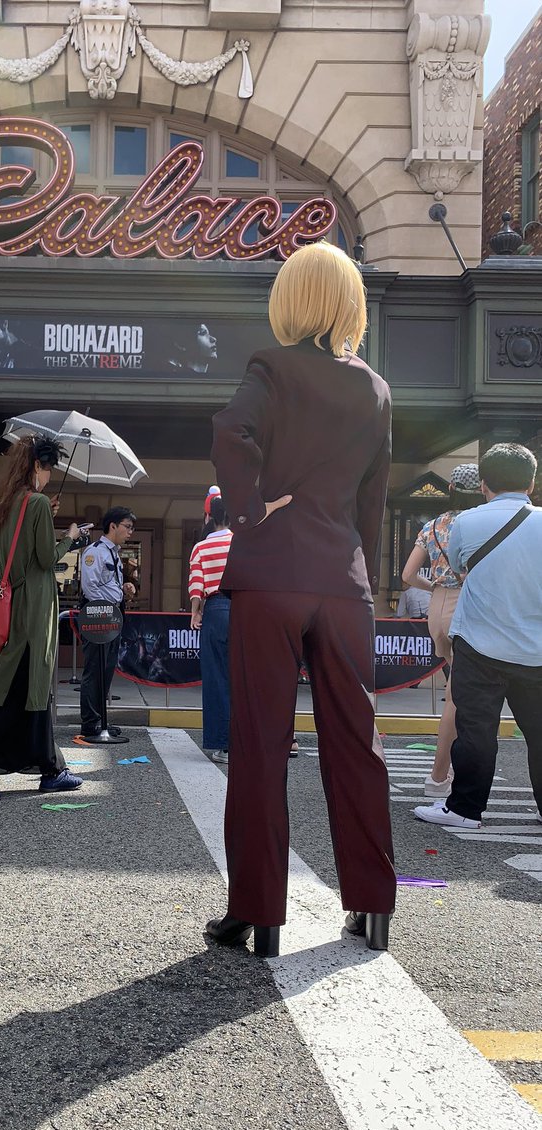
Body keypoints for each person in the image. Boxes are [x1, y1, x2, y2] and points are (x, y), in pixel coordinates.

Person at [208, 240, 396, 957]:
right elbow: (372, 502)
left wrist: (248, 509)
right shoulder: (375, 389)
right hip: (343, 582)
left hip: (271, 574)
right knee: (357, 742)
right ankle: (372, 908)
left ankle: (258, 914)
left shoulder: (272, 366)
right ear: (350, 304)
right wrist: (359, 571)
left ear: (290, 298)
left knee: (261, 743)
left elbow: (232, 430)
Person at [0, 436, 83, 801]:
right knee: (20, 694)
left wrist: (45, 516)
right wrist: (69, 537)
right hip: (33, 611)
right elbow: (46, 559)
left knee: (30, 694)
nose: (50, 477)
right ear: (38, 466)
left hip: (13, 607)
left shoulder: (7, 505)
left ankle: (51, 769)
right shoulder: (36, 503)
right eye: (49, 469)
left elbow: (20, 550)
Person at [414, 443, 542, 829]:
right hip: (536, 648)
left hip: (479, 641)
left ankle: (465, 809)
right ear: (531, 483)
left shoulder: (466, 522)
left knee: (475, 729)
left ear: (484, 484)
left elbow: (458, 566)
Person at [400, 463, 484, 799]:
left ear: (450, 489)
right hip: (469, 603)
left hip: (438, 606)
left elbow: (408, 575)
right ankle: (438, 777)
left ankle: (444, 773)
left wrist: (434, 586)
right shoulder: (481, 522)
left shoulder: (433, 525)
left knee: (456, 687)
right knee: (457, 696)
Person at [78, 506, 136, 740]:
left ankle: (100, 720)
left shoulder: (113, 553)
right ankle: (90, 722)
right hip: (98, 615)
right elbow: (90, 587)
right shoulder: (95, 552)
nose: (130, 532)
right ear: (113, 526)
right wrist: (111, 603)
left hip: (111, 614)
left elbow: (106, 584)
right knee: (95, 669)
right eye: (127, 527)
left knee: (106, 669)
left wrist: (123, 590)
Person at [189, 491, 232, 763]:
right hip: (243, 610)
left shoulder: (201, 548)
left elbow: (197, 583)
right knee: (243, 678)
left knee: (216, 678)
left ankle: (222, 745)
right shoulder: (241, 543)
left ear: (209, 517)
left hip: (215, 609)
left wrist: (195, 612)